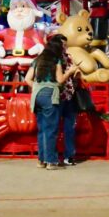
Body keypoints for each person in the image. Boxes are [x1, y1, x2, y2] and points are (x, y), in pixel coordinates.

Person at [25, 38, 79, 170]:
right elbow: (60, 80)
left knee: (42, 129)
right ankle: (51, 161)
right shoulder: (56, 60)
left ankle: (41, 160)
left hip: (37, 95)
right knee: (51, 130)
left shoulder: (37, 59)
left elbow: (27, 79)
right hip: (50, 95)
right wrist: (70, 72)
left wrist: (38, 86)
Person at [52, 34, 80, 167]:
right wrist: (69, 72)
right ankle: (52, 156)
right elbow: (59, 79)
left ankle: (69, 156)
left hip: (69, 95)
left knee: (70, 128)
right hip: (57, 96)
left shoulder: (68, 57)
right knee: (54, 128)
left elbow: (73, 73)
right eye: (62, 44)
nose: (64, 47)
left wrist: (76, 72)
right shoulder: (53, 59)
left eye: (65, 44)